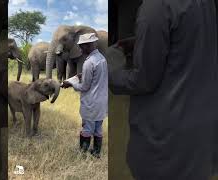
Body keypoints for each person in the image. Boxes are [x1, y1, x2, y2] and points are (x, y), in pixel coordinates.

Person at [109, 1, 218, 179]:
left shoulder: (156, 6)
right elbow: (188, 38)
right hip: (201, 136)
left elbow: (144, 80)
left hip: (166, 142)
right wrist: (142, 41)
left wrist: (110, 73)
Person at [61, 33, 108, 158]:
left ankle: (83, 154)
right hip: (102, 102)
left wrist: (70, 84)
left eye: (82, 46)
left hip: (91, 103)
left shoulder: (89, 62)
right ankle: (96, 153)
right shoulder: (102, 58)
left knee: (87, 128)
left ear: (88, 45)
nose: (80, 49)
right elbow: (98, 77)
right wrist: (83, 75)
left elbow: (85, 87)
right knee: (98, 129)